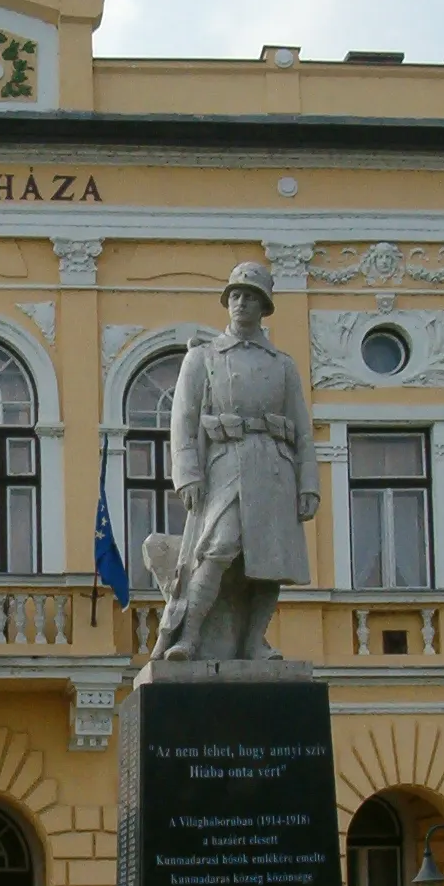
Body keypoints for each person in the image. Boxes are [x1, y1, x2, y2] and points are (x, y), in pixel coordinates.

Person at [149, 261, 319, 661]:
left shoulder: (282, 364)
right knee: (218, 546)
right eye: (236, 296)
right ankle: (190, 635)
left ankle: (253, 640)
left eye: (250, 297)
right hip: (227, 461)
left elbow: (303, 429)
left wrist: (309, 482)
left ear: (264, 306)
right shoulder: (204, 357)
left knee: (272, 558)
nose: (241, 303)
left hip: (275, 466)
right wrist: (187, 473)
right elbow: (183, 420)